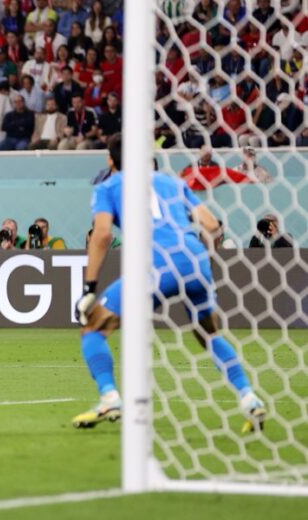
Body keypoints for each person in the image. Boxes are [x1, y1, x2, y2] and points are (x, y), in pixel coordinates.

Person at [71, 135, 265, 432]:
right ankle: (249, 398)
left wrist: (89, 288)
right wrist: (203, 264)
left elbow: (102, 235)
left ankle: (110, 396)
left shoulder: (108, 187)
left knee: (92, 327)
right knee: (208, 335)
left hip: (154, 266)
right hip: (195, 260)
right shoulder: (173, 183)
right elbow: (212, 225)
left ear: (111, 161)